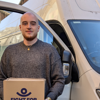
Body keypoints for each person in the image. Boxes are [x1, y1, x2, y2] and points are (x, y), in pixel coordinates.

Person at [0, 12, 65, 100]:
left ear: (38, 28)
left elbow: (59, 80)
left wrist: (50, 98)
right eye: (25, 23)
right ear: (20, 27)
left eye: (33, 24)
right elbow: (1, 78)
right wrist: (7, 95)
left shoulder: (50, 50)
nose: (29, 27)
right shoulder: (9, 51)